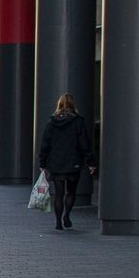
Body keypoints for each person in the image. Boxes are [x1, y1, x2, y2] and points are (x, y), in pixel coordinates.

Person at [37, 93, 94, 231]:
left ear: (59, 104)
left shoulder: (51, 122)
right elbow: (84, 144)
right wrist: (91, 162)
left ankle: (58, 222)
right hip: (73, 162)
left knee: (59, 193)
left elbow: (45, 144)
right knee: (71, 192)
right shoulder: (78, 121)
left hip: (56, 163)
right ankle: (67, 215)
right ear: (73, 105)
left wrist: (42, 163)